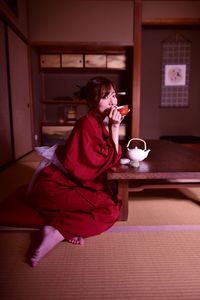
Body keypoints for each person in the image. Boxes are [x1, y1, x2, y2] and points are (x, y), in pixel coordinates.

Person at [29, 76, 124, 267]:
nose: (113, 101)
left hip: (69, 184)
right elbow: (92, 164)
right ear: (91, 101)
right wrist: (115, 127)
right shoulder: (86, 123)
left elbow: (111, 157)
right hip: (54, 187)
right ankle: (59, 232)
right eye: (106, 97)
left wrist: (114, 128)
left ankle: (59, 228)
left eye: (113, 95)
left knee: (111, 202)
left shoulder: (99, 122)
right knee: (110, 210)